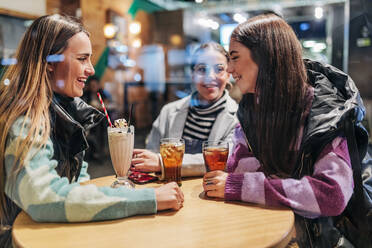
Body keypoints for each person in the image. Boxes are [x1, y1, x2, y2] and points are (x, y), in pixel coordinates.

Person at [0, 14, 183, 248]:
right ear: (49, 63)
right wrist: (149, 198)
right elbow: (42, 198)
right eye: (82, 59)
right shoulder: (26, 121)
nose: (91, 69)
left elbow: (79, 186)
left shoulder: (66, 113)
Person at [202, 14, 370, 247]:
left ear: (266, 58)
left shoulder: (324, 112)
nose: (229, 69)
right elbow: (237, 166)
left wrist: (246, 186)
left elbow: (332, 195)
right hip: (268, 228)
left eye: (235, 58)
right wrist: (294, 185)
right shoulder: (252, 107)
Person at [131, 42, 238, 178]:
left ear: (228, 74)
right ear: (192, 74)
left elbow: (225, 161)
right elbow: (150, 157)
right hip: (169, 189)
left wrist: (162, 161)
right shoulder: (169, 112)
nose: (210, 76)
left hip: (211, 193)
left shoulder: (238, 118)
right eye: (202, 69)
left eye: (219, 69)